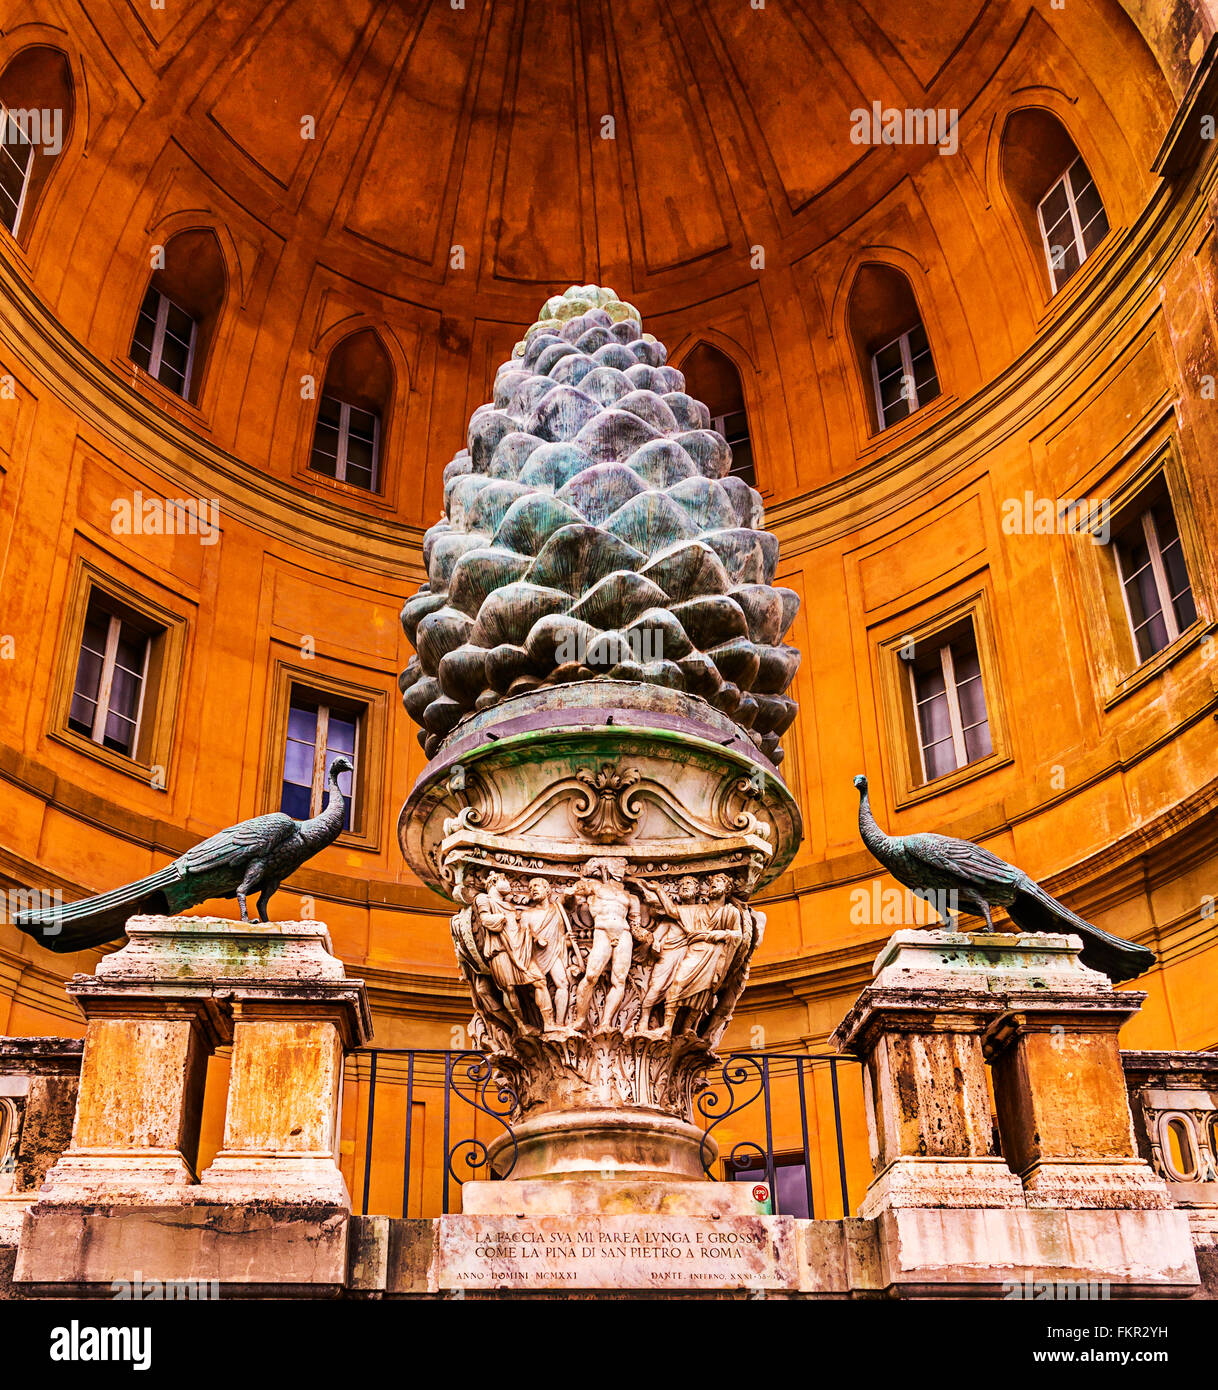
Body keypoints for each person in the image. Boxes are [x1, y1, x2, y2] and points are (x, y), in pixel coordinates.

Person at [567, 858, 645, 1032]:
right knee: (591, 976)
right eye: (621, 866)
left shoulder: (631, 897)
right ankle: (580, 1019)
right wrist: (569, 893)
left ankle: (605, 1023)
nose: (624, 870)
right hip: (602, 931)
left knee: (619, 980)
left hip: (624, 934)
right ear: (609, 868)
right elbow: (573, 896)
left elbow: (635, 926)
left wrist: (647, 938)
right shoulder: (595, 887)